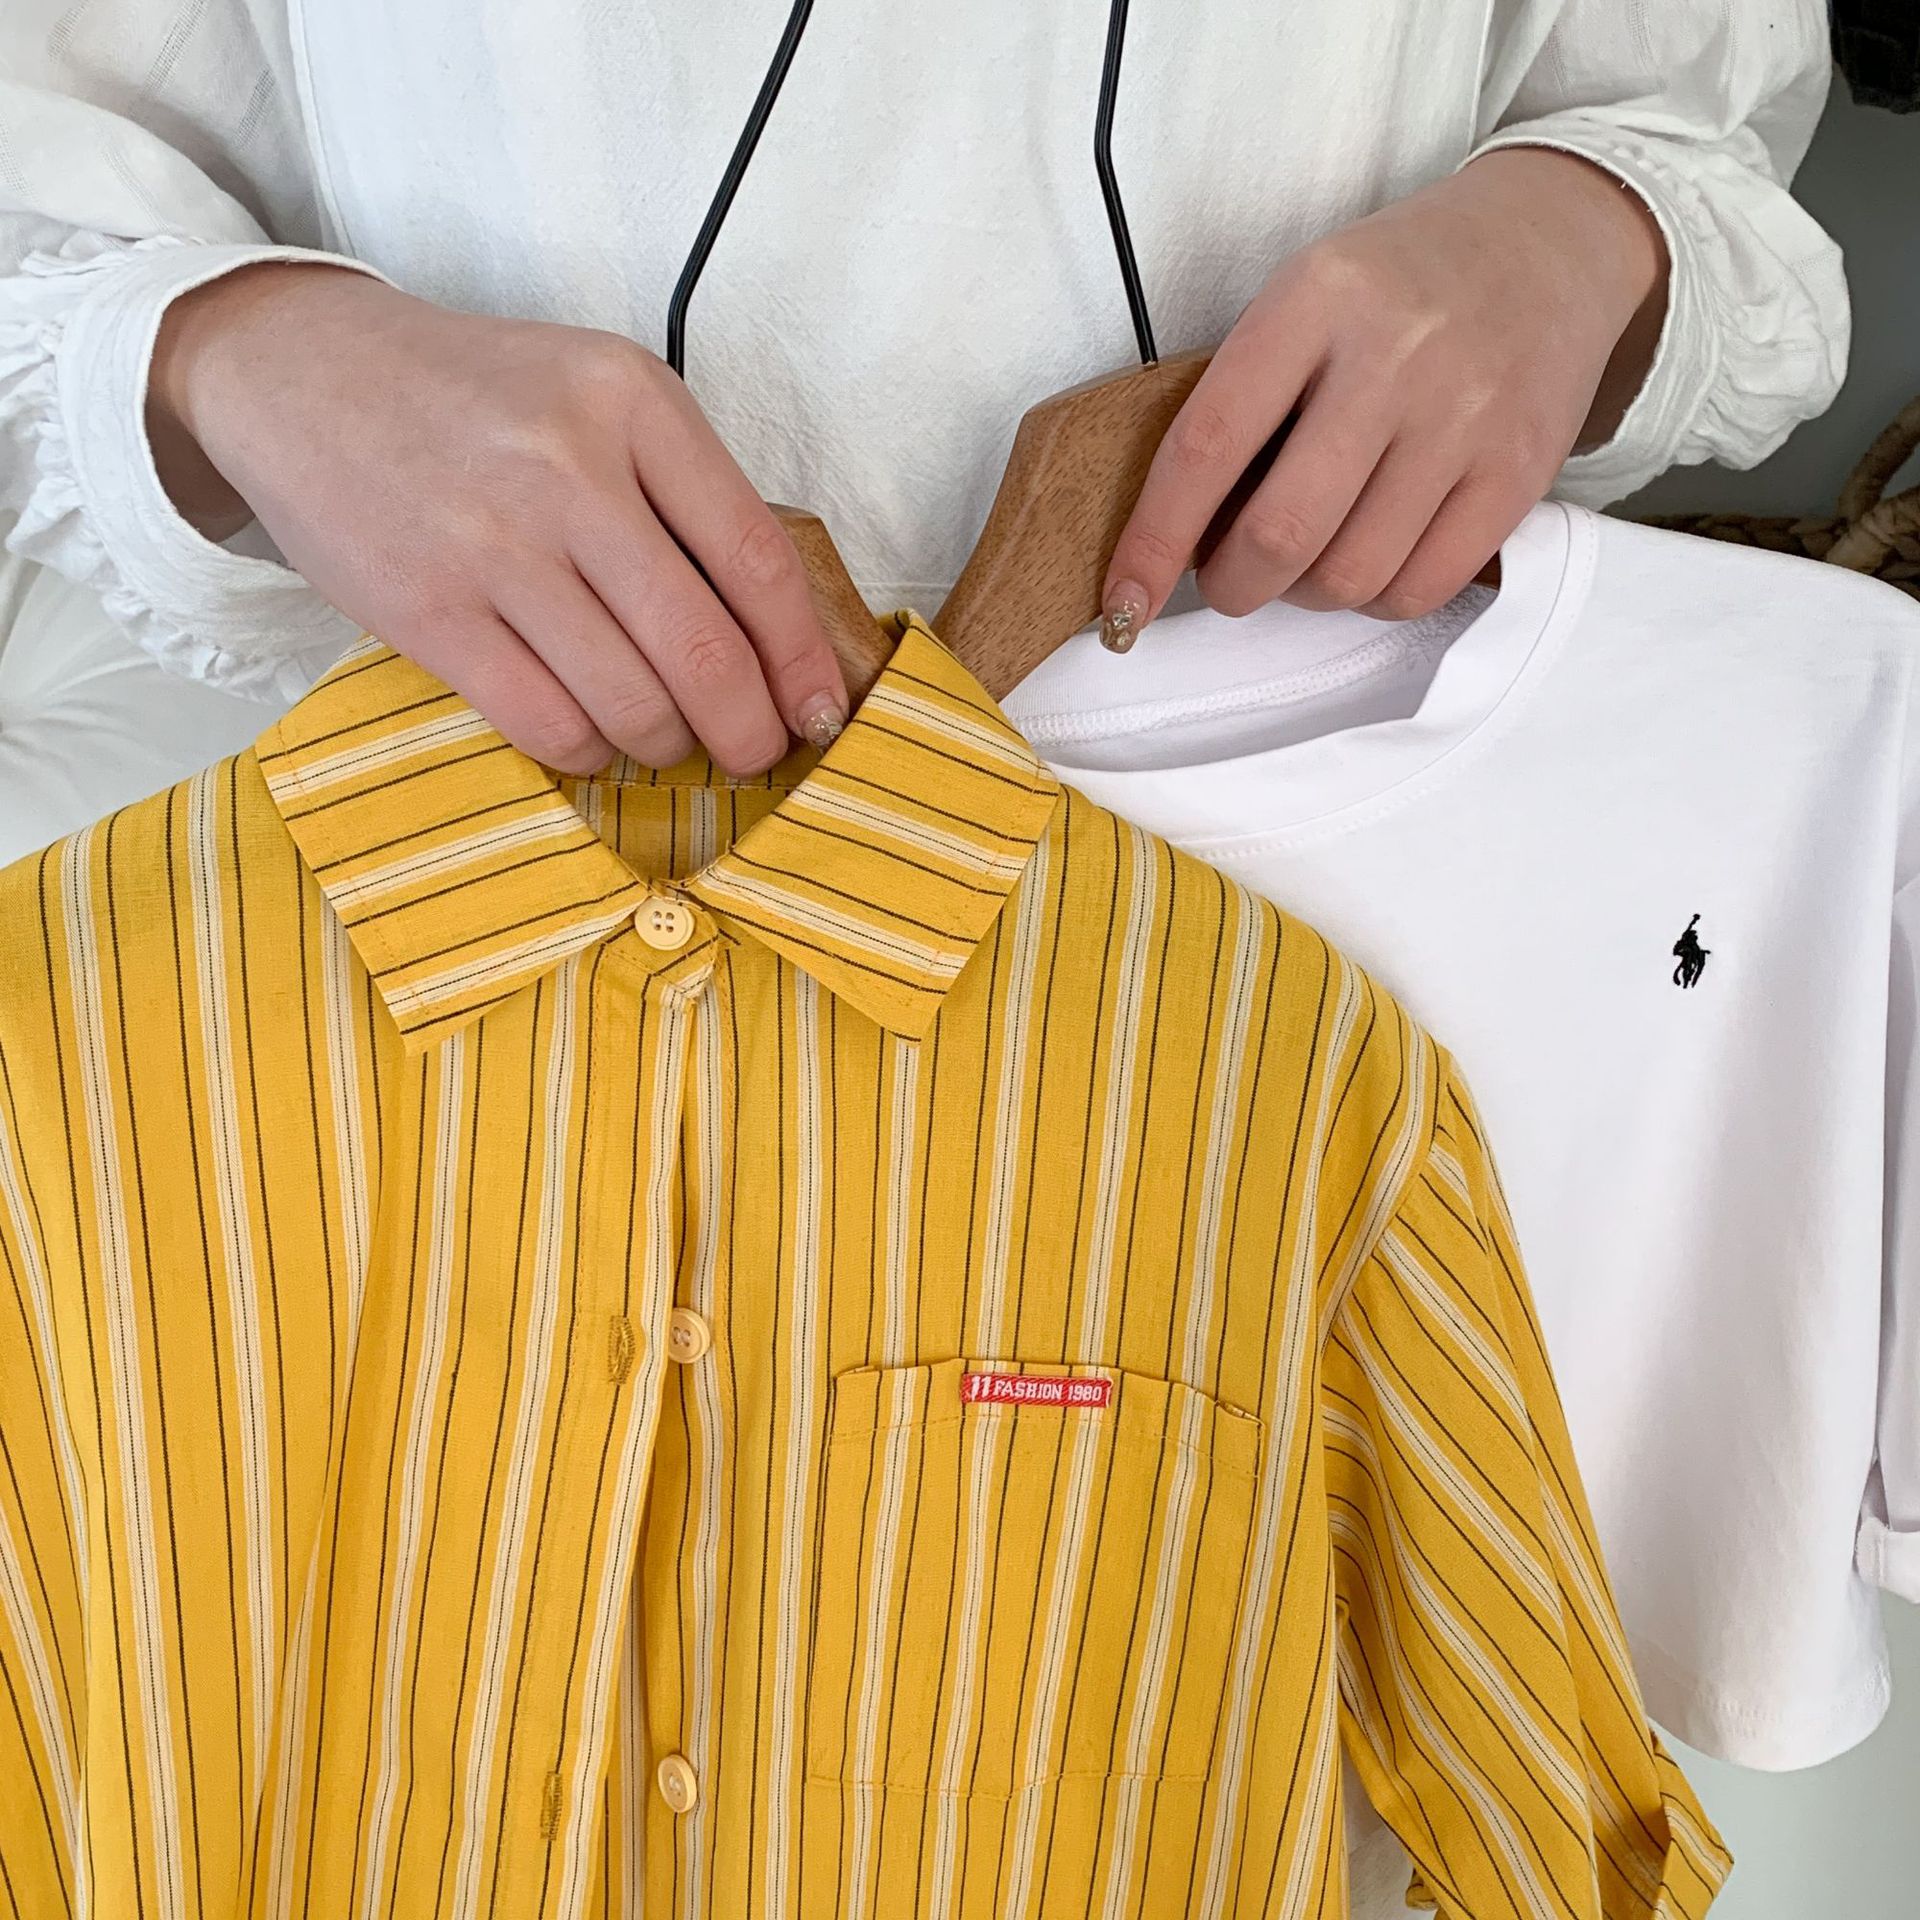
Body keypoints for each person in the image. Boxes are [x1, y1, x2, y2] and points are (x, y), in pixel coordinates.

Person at [0, 3, 1842, 797]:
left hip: (1308, 897)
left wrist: (1580, 229)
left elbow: (1700, 123)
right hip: (460, 888)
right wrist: (236, 350)